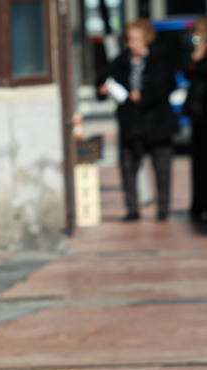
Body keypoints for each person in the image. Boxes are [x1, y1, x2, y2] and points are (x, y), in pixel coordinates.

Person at [102, 18, 179, 221]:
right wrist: (103, 89)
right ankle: (132, 209)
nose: (131, 44)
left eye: (134, 39)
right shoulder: (122, 61)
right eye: (128, 39)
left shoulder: (160, 59)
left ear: (145, 39)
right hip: (131, 123)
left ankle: (163, 209)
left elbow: (168, 85)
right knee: (128, 166)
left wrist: (144, 95)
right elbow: (105, 78)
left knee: (162, 167)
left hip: (157, 122)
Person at [187, 19, 207, 222]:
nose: (196, 40)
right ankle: (199, 204)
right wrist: (196, 58)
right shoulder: (195, 56)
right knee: (199, 164)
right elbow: (187, 73)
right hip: (199, 117)